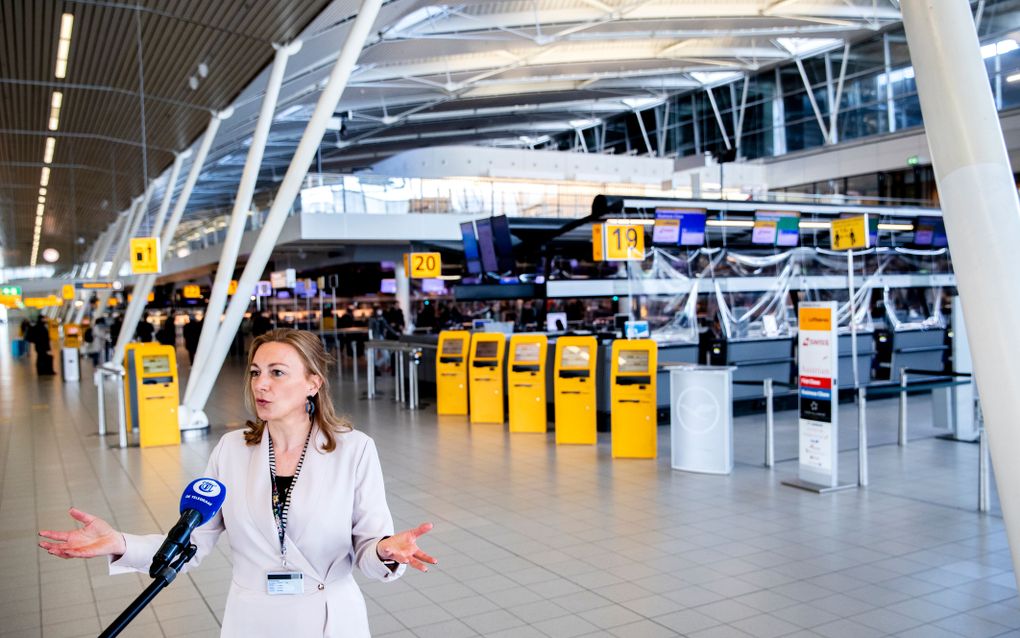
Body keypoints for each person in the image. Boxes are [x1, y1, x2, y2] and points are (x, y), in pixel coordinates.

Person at [38, 329, 436, 637]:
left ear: (313, 384)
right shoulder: (231, 451)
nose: (261, 384)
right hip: (254, 619)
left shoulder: (354, 451)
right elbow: (192, 542)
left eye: (278, 373)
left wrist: (386, 549)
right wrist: (121, 543)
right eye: (256, 373)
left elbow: (368, 549)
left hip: (330, 619)